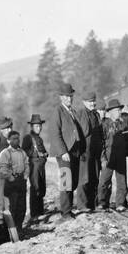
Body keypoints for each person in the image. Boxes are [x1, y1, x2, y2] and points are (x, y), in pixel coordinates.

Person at [47, 82, 86, 219]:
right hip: (64, 153)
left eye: (71, 96)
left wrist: (82, 149)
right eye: (66, 97)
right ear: (61, 98)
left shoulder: (72, 112)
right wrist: (63, 152)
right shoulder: (57, 112)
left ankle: (68, 208)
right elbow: (54, 133)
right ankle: (65, 212)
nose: (69, 99)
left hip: (74, 151)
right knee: (66, 181)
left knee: (73, 181)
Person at [97, 97, 128, 211]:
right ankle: (102, 202)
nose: (119, 112)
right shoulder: (104, 124)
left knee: (122, 181)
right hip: (108, 156)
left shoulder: (123, 124)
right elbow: (100, 142)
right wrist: (103, 158)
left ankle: (120, 203)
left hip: (121, 156)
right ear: (110, 112)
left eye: (119, 110)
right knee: (104, 181)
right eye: (116, 110)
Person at [74, 92, 103, 213]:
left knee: (94, 177)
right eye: (90, 101)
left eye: (94, 101)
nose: (93, 103)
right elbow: (83, 132)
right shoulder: (81, 113)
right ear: (84, 102)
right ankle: (82, 205)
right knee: (84, 179)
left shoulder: (96, 114)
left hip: (95, 151)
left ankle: (92, 204)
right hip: (85, 151)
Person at [0, 130, 29, 234]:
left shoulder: (22, 152)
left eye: (18, 138)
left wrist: (25, 176)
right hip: (11, 183)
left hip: (21, 182)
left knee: (22, 207)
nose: (16, 141)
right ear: (8, 140)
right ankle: (12, 231)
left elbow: (27, 164)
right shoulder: (6, 153)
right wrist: (11, 178)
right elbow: (3, 168)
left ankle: (19, 229)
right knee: (13, 207)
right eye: (13, 139)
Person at [21, 114, 48, 222]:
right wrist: (36, 154)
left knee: (41, 188)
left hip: (41, 165)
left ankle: (40, 211)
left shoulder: (40, 138)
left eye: (40, 126)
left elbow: (44, 151)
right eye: (36, 126)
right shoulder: (28, 138)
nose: (39, 128)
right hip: (33, 165)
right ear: (32, 127)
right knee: (35, 188)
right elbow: (24, 151)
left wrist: (45, 154)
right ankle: (34, 214)